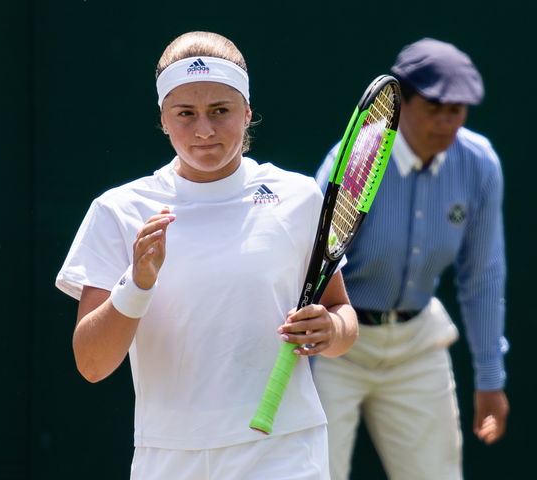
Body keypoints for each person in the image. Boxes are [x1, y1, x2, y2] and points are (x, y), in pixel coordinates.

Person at [56, 31, 358, 480]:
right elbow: (93, 364)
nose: (204, 130)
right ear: (162, 119)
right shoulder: (118, 210)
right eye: (185, 114)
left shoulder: (298, 197)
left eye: (221, 111)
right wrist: (136, 284)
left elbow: (341, 316)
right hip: (170, 456)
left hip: (284, 451)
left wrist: (330, 329)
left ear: (248, 112)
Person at [313, 38, 509, 480]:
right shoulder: (353, 160)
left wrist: (489, 376)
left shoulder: (479, 164)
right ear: (400, 101)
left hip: (418, 347)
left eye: (456, 111)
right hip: (338, 349)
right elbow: (314, 267)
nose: (445, 123)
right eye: (434, 108)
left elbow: (483, 276)